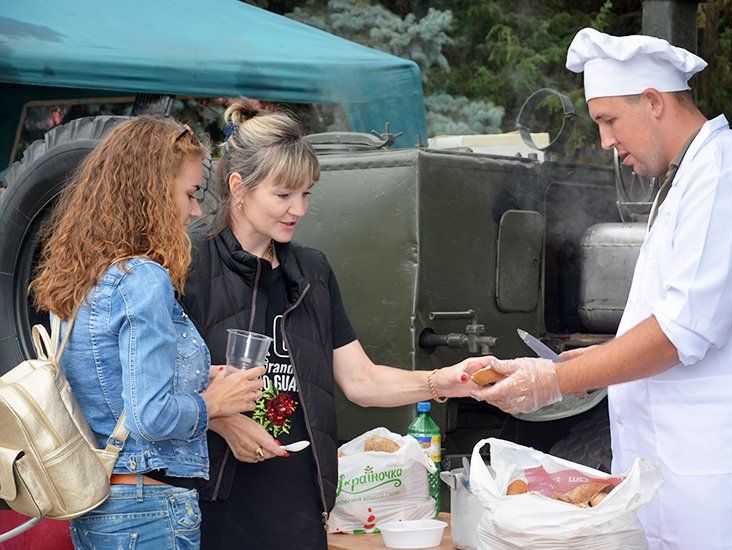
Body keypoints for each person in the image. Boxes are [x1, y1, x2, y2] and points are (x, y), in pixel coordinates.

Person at [473, 28, 732, 548]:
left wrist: (556, 380)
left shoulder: (724, 179)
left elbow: (676, 335)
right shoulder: (688, 179)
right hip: (677, 483)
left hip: (724, 493)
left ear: (653, 101)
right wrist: (559, 369)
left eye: (608, 120)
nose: (605, 141)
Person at [180, 98, 492, 549]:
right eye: (283, 195)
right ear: (239, 187)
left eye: (306, 194)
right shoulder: (187, 263)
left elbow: (361, 380)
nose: (299, 210)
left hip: (298, 507)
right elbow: (147, 386)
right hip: (210, 505)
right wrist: (222, 422)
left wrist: (445, 380)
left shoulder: (312, 271)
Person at [30, 116, 266, 549]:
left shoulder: (81, 275)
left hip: (101, 503)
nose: (196, 211)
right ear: (152, 193)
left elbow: (109, 390)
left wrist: (194, 379)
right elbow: (150, 417)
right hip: (146, 508)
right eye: (191, 194)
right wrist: (212, 403)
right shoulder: (142, 278)